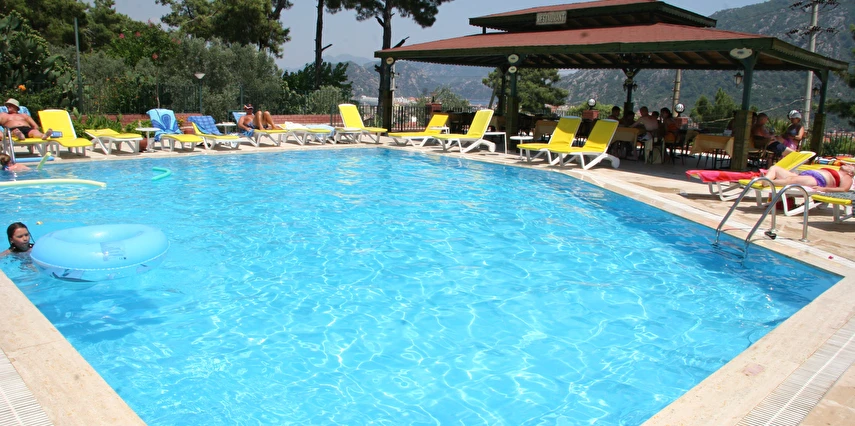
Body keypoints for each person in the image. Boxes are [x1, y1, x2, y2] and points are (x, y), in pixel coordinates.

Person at [764, 163, 855, 192]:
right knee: (775, 168)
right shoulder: (838, 171)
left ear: (851, 173)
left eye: (850, 166)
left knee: (791, 180)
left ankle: (767, 182)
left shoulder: (847, 177)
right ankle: (765, 180)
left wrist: (823, 189)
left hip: (818, 180)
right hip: (807, 175)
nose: (847, 164)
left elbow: (844, 189)